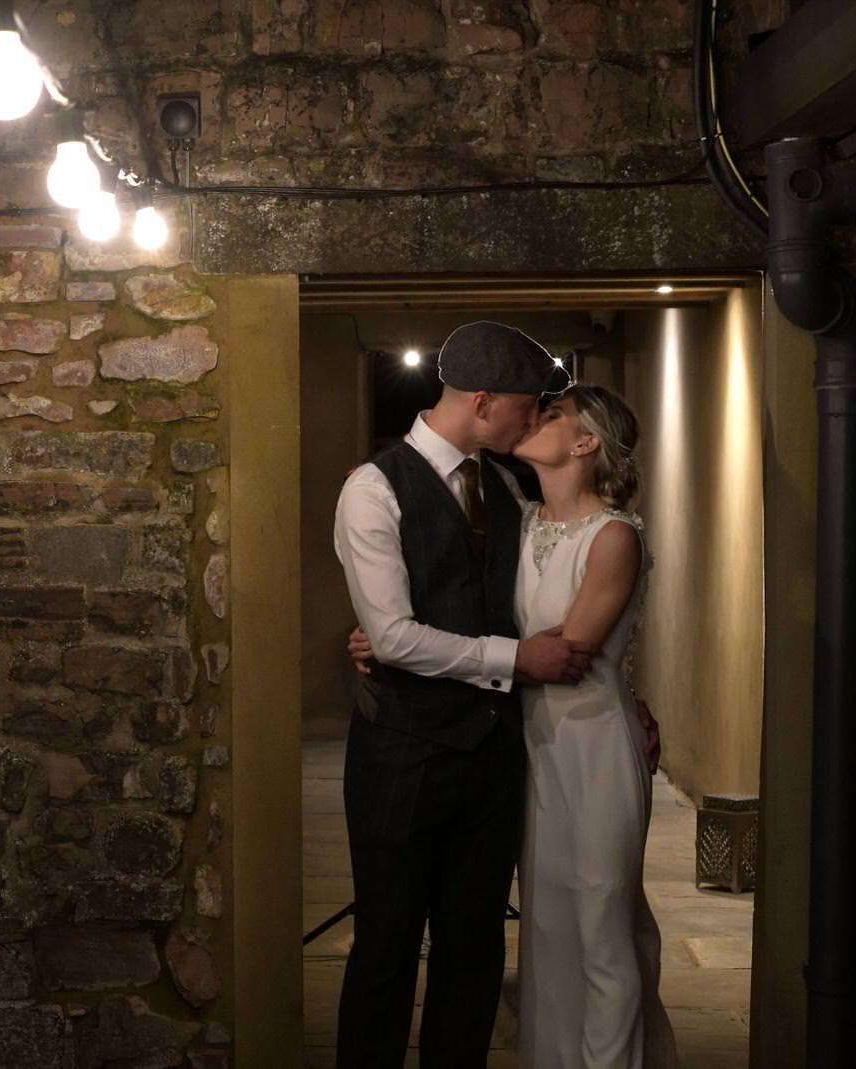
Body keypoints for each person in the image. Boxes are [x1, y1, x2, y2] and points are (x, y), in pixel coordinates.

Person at [346, 382, 674, 1068]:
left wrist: (404, 642)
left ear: (586, 443)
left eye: (552, 414)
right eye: (535, 407)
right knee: (547, 932)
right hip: (526, 750)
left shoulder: (612, 535)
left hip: (590, 750)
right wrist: (386, 634)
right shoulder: (517, 518)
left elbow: (564, 653)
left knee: (601, 919)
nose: (534, 418)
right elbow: (471, 606)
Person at [330, 321, 592, 1068]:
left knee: (474, 951)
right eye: (527, 407)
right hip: (402, 758)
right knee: (385, 949)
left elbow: (535, 598)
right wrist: (515, 659)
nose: (532, 421)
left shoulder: (503, 487)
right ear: (484, 403)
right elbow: (392, 636)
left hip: (492, 759)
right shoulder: (373, 488)